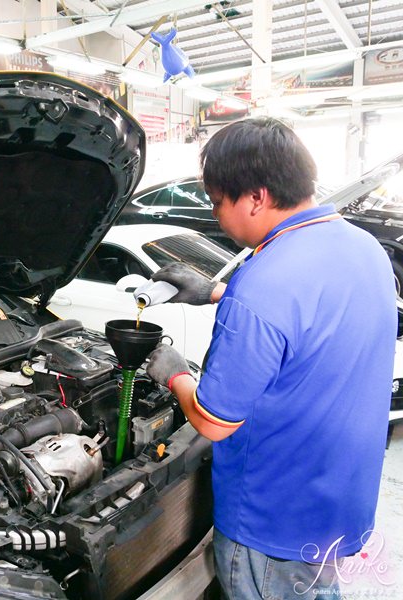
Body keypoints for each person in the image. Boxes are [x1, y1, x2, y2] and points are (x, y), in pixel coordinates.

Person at [144, 117, 397, 600]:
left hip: (273, 517)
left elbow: (215, 423)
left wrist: (173, 371)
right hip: (338, 497)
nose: (217, 217)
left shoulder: (264, 282)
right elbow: (314, 322)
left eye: (218, 202)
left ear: (256, 197)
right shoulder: (364, 249)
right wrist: (217, 292)